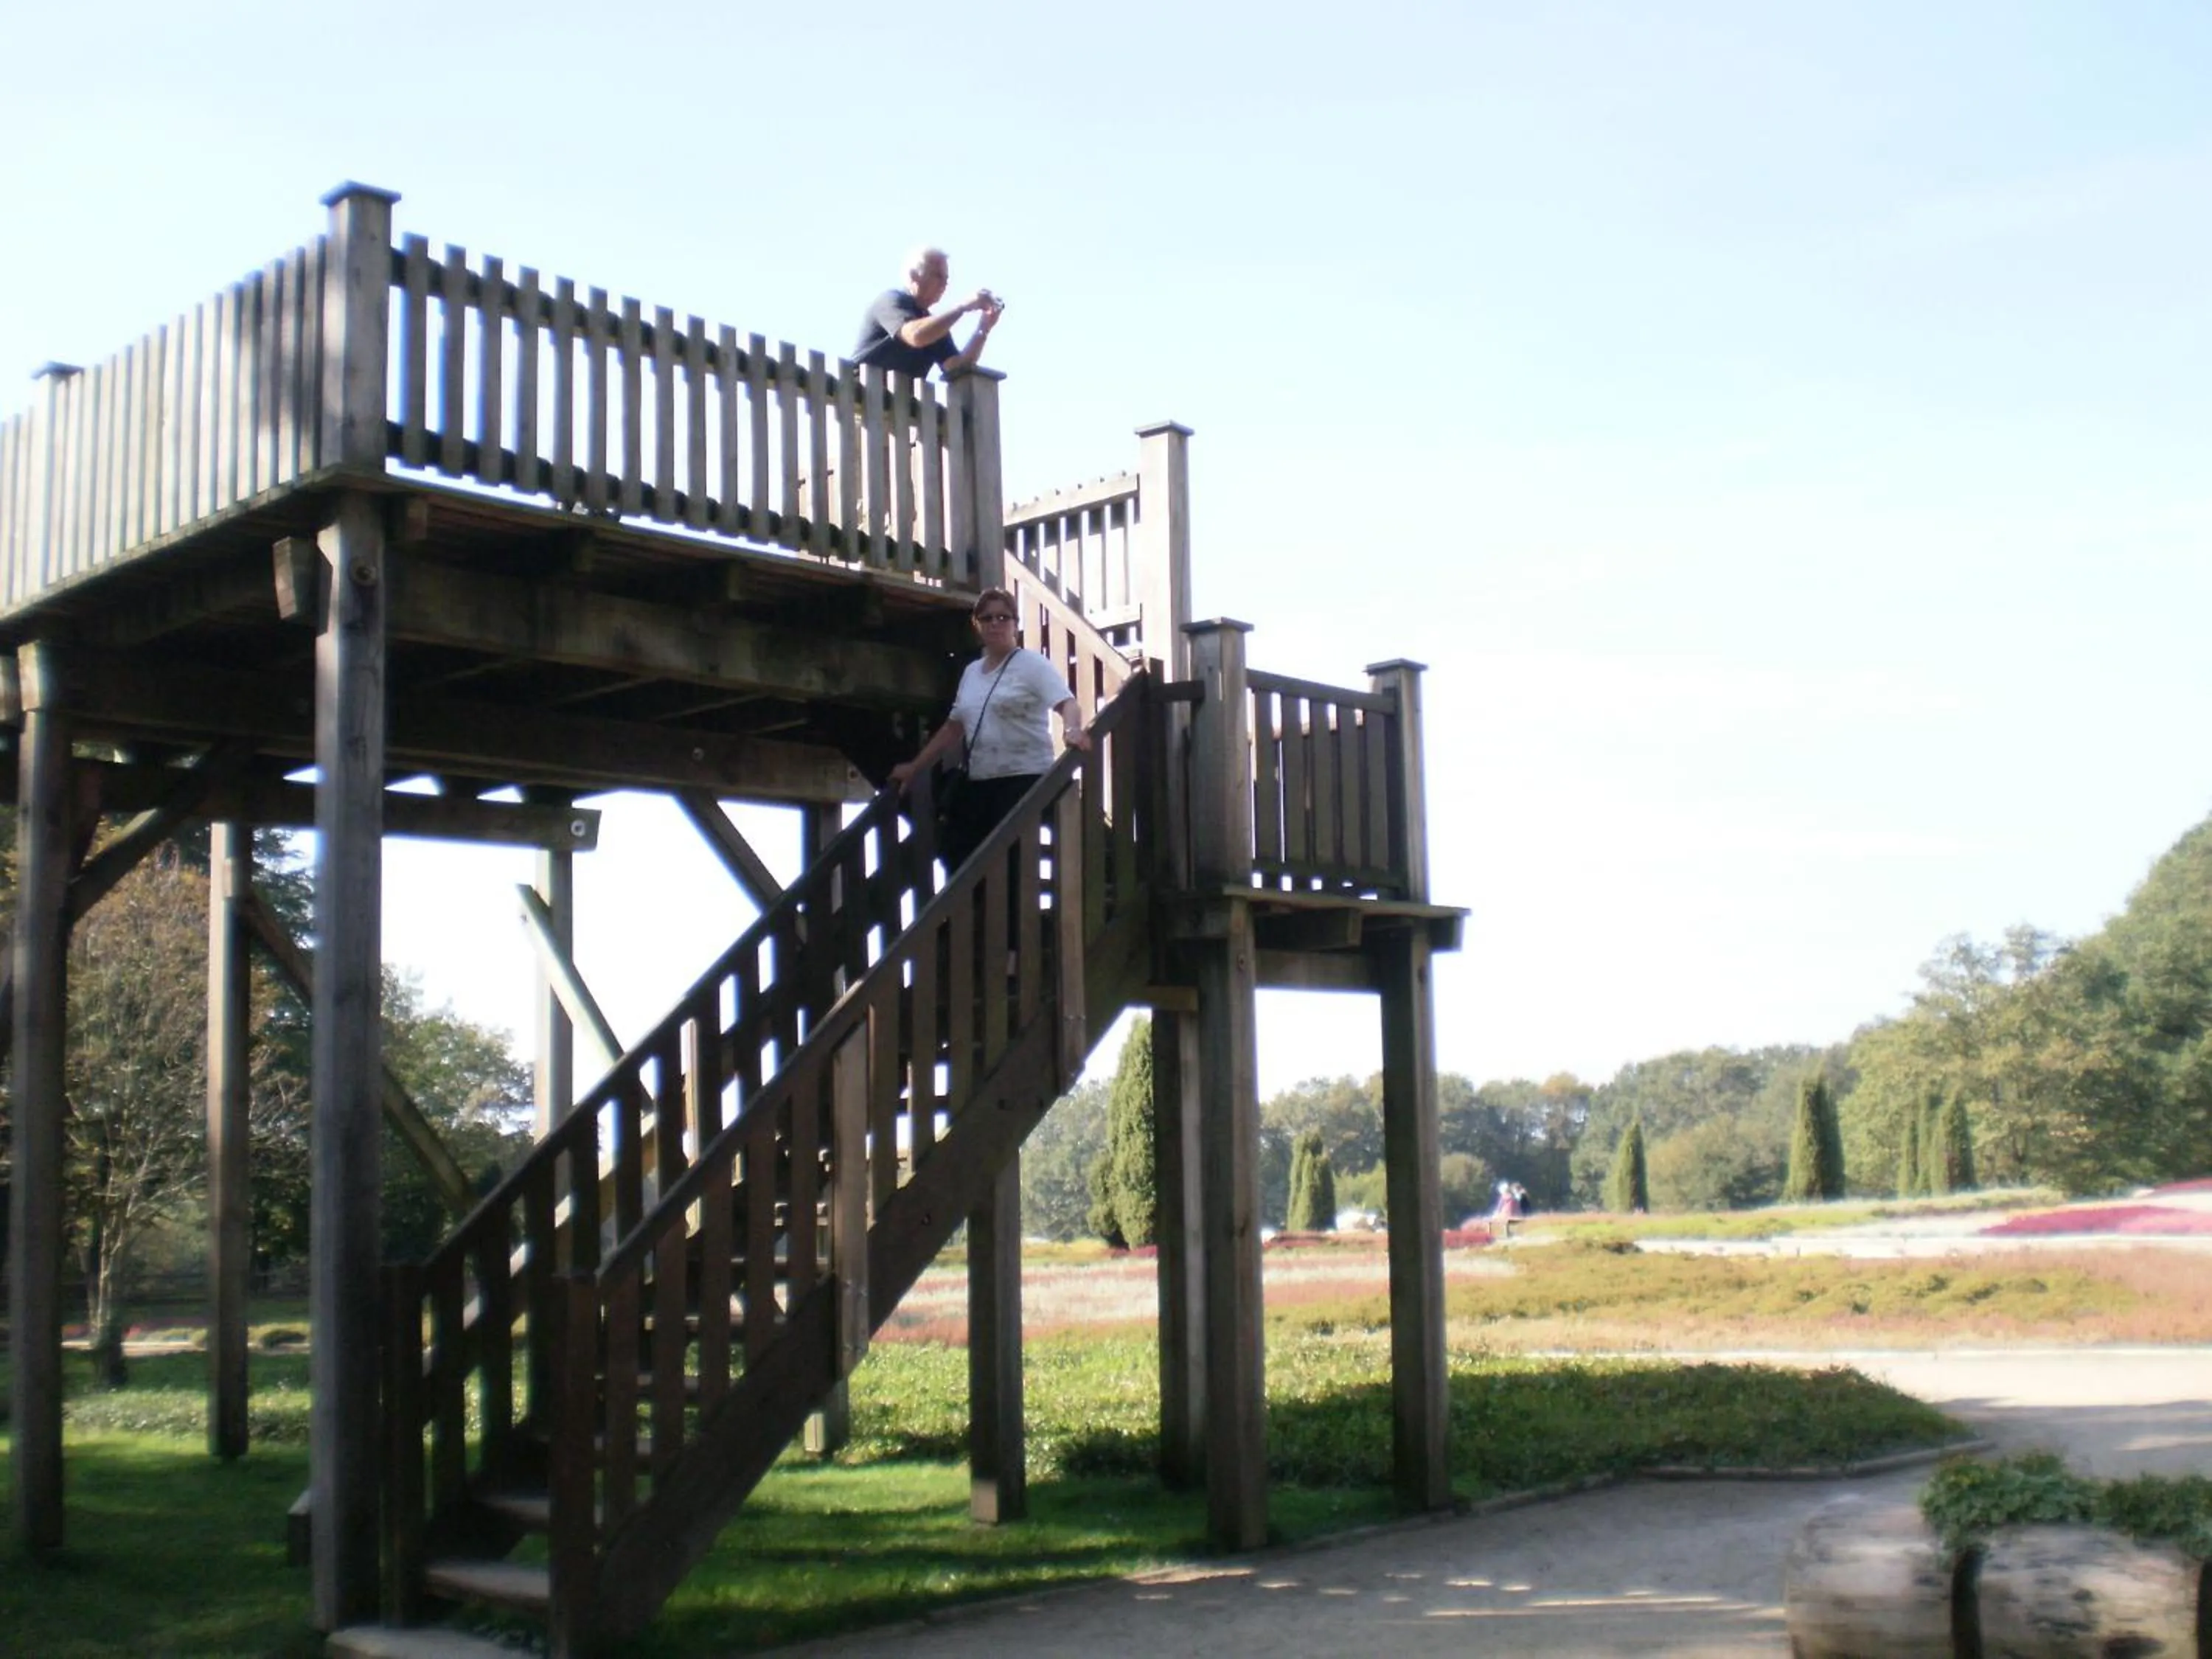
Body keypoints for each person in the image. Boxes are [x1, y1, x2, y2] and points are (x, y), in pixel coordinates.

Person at [890, 588, 1090, 871]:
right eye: (987, 618)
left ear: (1015, 624)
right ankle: (970, 912)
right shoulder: (972, 672)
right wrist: (915, 767)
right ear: (977, 625)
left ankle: (1008, 914)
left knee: (1010, 860)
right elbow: (953, 727)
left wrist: (1072, 729)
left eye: (1003, 617)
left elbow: (1067, 703)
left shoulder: (1032, 664)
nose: (995, 624)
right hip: (981, 779)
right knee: (957, 850)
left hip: (1024, 777)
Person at [852, 246, 1004, 380]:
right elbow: (916, 336)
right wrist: (962, 307)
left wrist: (984, 329)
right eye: (937, 275)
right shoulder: (891, 300)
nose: (944, 284)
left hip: (896, 407)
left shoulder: (934, 327)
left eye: (946, 279)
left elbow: (957, 367)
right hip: (861, 401)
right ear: (914, 276)